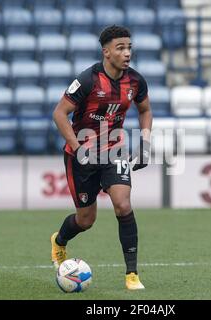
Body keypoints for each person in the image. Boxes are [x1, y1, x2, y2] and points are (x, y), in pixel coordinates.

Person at [51, 25, 153, 290]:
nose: (127, 53)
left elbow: (145, 110)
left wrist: (145, 143)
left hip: (114, 150)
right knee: (86, 219)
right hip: (81, 155)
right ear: (106, 52)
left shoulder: (136, 81)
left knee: (123, 204)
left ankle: (132, 275)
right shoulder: (87, 80)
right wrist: (78, 148)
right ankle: (59, 241)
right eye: (120, 48)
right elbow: (59, 114)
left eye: (129, 47)